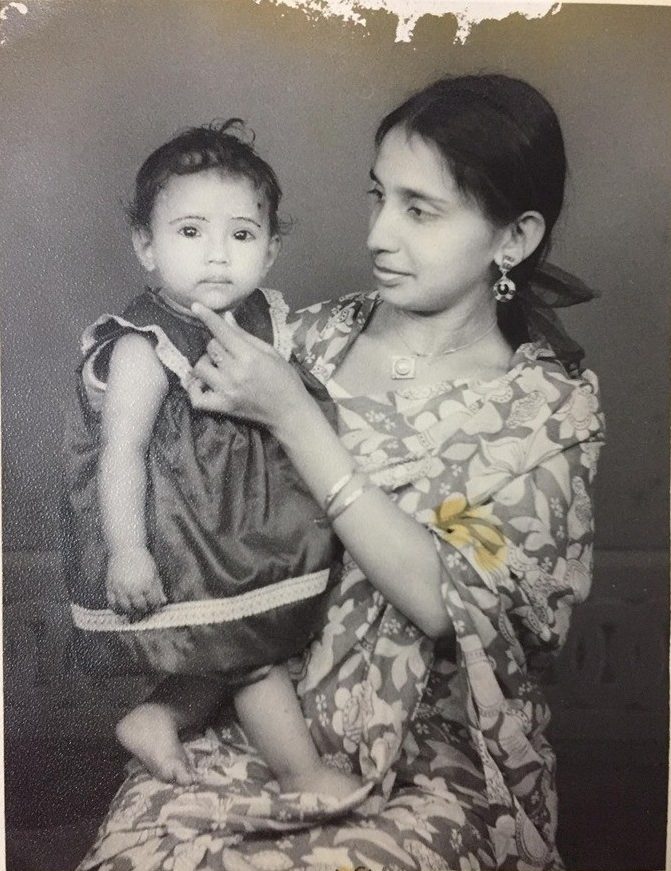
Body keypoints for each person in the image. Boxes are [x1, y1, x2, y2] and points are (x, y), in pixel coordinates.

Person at [78, 74, 604, 871]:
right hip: (242, 712)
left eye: (419, 210)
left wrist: (294, 417)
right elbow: (160, 461)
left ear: (513, 238)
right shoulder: (295, 337)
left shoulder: (547, 410)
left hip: (427, 754)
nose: (379, 236)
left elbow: (445, 604)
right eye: (376, 198)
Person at [61, 120, 361, 800]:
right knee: (252, 656)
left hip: (236, 524)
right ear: (146, 244)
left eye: (242, 235)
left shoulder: (266, 318)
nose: (217, 256)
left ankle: (157, 715)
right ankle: (303, 774)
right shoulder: (145, 344)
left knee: (235, 641)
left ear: (271, 247)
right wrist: (128, 551)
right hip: (180, 531)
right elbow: (122, 451)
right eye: (190, 232)